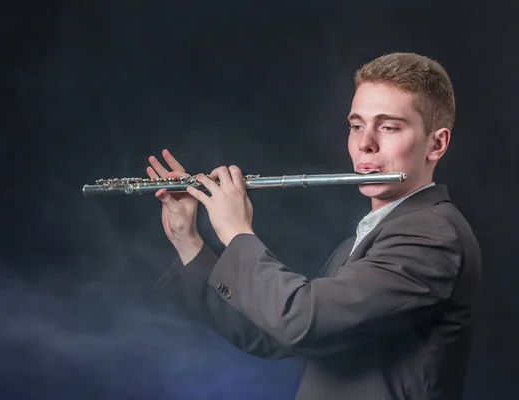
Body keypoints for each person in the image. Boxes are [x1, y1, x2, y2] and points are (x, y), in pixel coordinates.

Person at [147, 52, 482, 400]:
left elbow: (302, 322)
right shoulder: (368, 237)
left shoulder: (432, 235)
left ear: (436, 144)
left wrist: (236, 232)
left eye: (389, 127)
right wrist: (187, 241)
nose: (364, 143)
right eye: (356, 126)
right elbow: (271, 333)